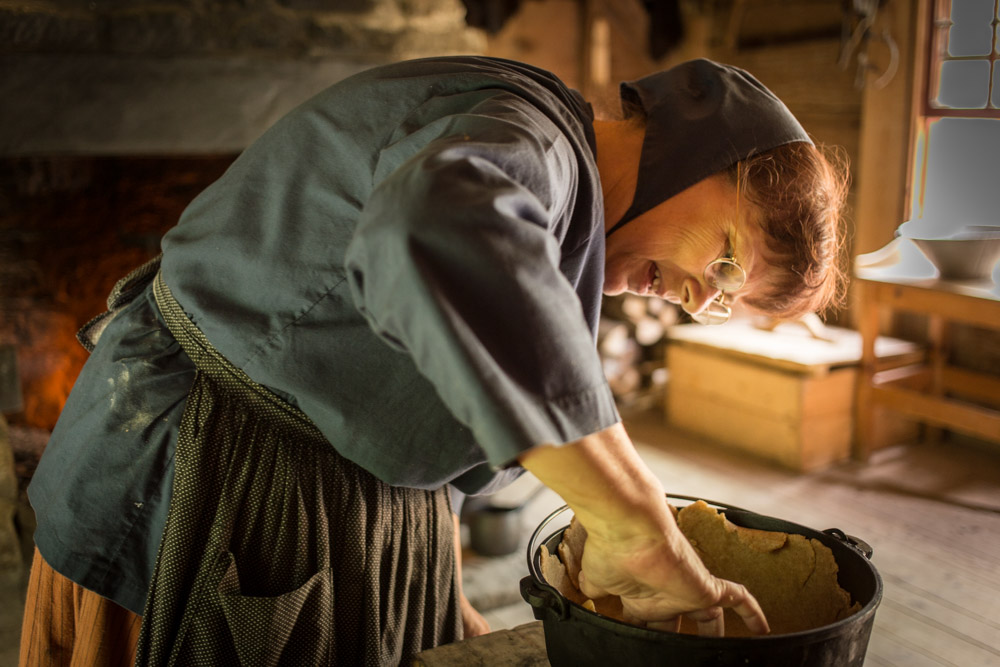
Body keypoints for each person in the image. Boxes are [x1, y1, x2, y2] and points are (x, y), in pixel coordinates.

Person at [19, 56, 847, 665]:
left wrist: (441, 591)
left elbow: (436, 386)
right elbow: (434, 228)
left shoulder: (565, 219)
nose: (699, 296)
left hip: (331, 504)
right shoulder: (526, 133)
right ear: (705, 151)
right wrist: (639, 528)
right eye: (730, 260)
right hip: (211, 481)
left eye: (724, 301)